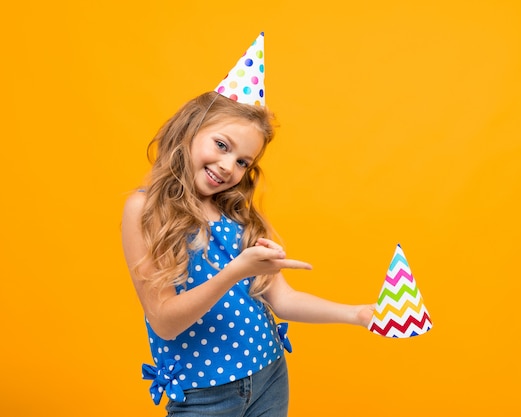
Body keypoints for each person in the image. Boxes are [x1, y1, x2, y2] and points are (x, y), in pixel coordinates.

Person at [121, 33, 374, 417]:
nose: (228, 166)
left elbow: (282, 300)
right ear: (189, 130)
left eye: (243, 162)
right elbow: (164, 322)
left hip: (270, 375)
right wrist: (237, 270)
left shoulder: (238, 216)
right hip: (205, 395)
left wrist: (356, 314)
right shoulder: (145, 209)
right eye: (222, 145)